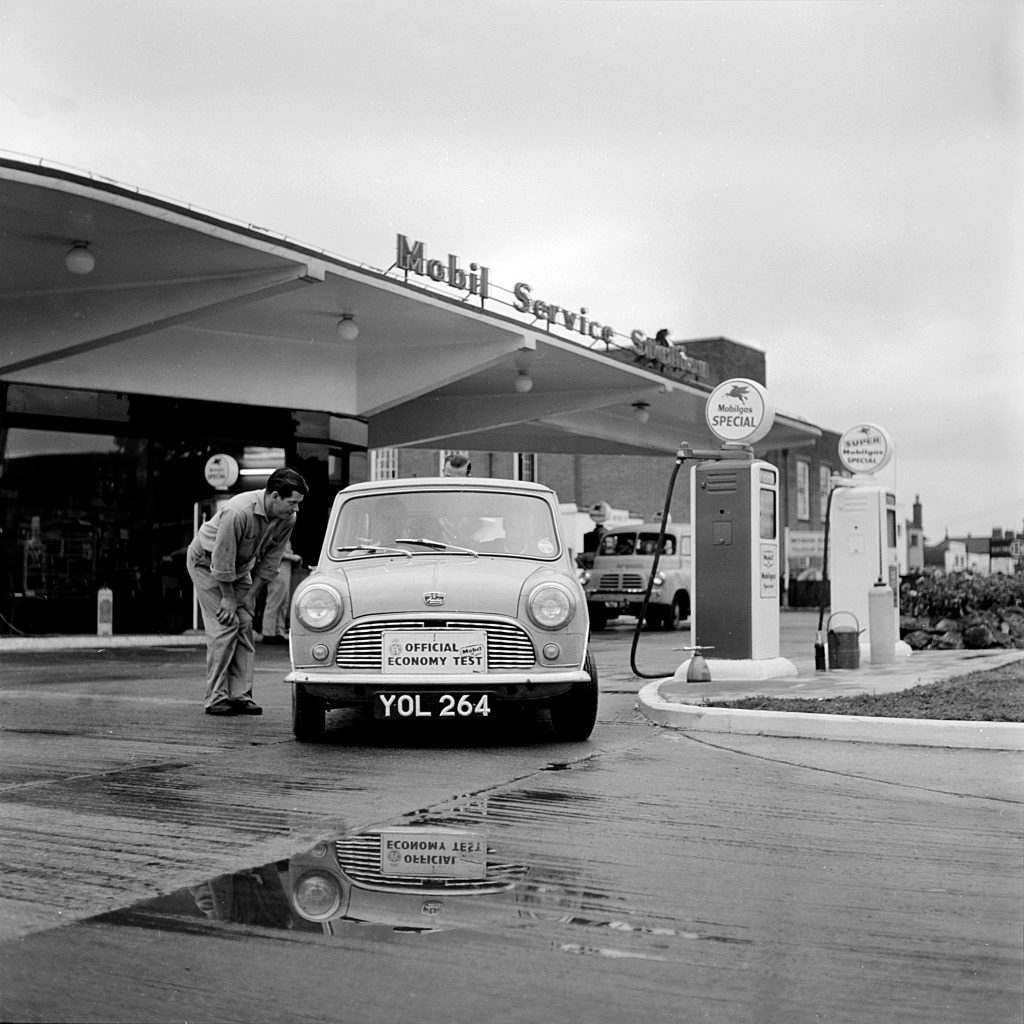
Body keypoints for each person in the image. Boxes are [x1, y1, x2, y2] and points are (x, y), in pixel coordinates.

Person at [187, 467, 307, 716]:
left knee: (245, 624)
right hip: (206, 564)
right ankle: (215, 698)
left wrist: (249, 596)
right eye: (292, 502)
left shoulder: (287, 519)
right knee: (226, 624)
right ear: (275, 496)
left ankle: (240, 695)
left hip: (241, 568)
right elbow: (221, 561)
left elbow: (271, 562)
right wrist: (230, 599)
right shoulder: (238, 510)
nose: (296, 509)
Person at [261, 539, 301, 645]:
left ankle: (279, 631)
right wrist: (292, 557)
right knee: (274, 602)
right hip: (277, 569)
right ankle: (268, 632)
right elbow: (273, 551)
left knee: (284, 603)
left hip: (286, 569)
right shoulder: (276, 532)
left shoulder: (285, 533)